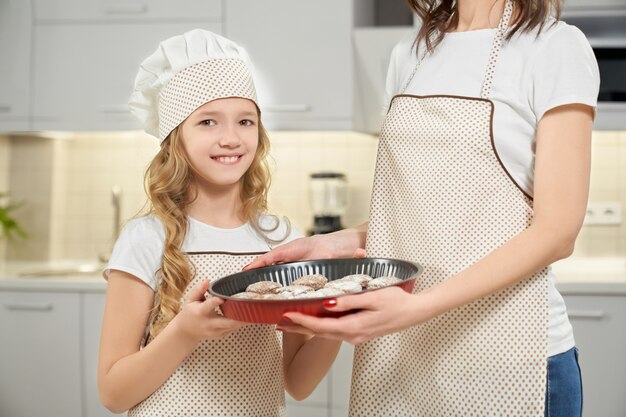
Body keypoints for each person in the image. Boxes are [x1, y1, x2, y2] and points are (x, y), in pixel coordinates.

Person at [245, 0, 599, 415]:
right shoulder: (410, 54)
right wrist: (334, 244)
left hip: (508, 353)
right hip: (403, 355)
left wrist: (415, 308)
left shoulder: (555, 48)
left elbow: (556, 232)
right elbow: (426, 211)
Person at [97, 29, 341, 417]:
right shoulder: (146, 239)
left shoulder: (283, 241)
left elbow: (298, 382)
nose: (231, 137)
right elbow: (113, 393)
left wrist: (336, 318)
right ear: (175, 139)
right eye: (208, 122)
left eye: (245, 121)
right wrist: (185, 332)